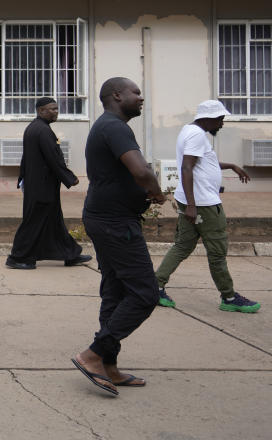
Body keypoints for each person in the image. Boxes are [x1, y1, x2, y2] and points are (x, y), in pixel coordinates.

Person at [72, 77, 164, 396]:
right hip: (114, 222)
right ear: (116, 95)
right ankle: (93, 355)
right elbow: (141, 171)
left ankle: (109, 365)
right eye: (135, 92)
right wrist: (156, 191)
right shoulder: (114, 126)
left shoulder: (109, 126)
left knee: (115, 291)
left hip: (106, 218)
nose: (141, 98)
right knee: (144, 292)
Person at [156, 100, 260, 313]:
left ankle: (154, 287)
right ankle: (229, 298)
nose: (221, 124)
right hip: (203, 204)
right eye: (219, 120)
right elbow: (186, 168)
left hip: (191, 201)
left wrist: (231, 166)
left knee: (182, 246)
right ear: (207, 118)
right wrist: (193, 206)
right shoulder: (196, 135)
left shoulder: (189, 130)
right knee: (217, 252)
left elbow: (203, 162)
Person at [6, 97, 91, 270]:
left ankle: (70, 254)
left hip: (39, 184)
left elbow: (27, 158)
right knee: (34, 221)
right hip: (41, 186)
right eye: (51, 109)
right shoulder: (42, 131)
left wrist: (23, 178)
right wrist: (69, 177)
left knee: (53, 221)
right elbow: (53, 157)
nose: (55, 112)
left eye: (56, 109)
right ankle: (17, 257)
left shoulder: (35, 128)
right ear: (41, 111)